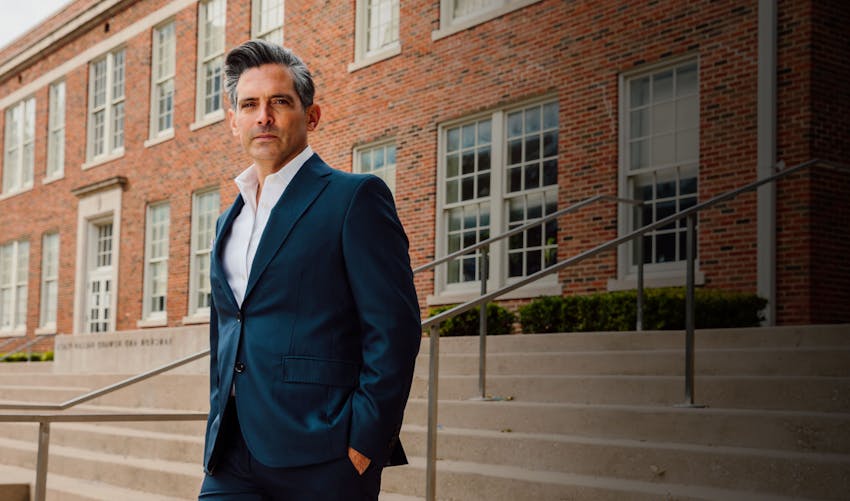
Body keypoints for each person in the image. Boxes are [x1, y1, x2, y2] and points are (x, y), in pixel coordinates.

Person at [199, 39, 422, 500]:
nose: (263, 116)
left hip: (325, 453)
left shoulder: (354, 198)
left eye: (280, 102)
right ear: (234, 121)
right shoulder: (227, 221)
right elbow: (227, 328)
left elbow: (394, 329)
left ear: (312, 116)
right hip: (233, 453)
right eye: (250, 104)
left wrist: (367, 439)